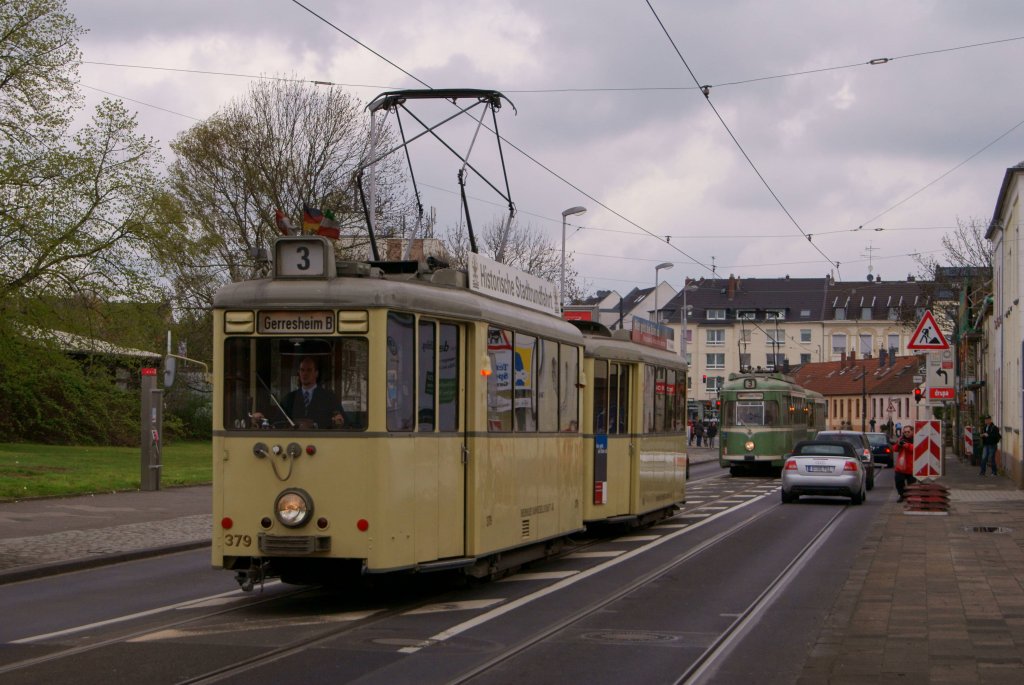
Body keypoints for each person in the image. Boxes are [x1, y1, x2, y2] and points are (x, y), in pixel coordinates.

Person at [252, 356, 348, 429]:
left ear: (316, 373)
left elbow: (343, 421)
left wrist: (339, 420)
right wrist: (262, 418)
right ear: (299, 372)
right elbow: (277, 421)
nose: (305, 373)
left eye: (309, 370)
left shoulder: (329, 397)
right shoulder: (289, 398)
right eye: (302, 370)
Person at [894, 423, 917, 502]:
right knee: (899, 482)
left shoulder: (916, 439)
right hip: (901, 467)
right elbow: (895, 449)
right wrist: (899, 444)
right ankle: (902, 495)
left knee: (911, 484)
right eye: (905, 432)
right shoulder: (901, 439)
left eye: (908, 432)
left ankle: (910, 497)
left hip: (911, 467)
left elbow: (916, 449)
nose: (906, 433)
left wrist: (906, 445)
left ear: (912, 432)